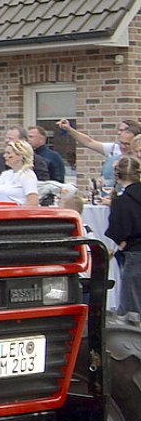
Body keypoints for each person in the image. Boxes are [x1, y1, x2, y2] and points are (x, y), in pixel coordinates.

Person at [106, 157, 141, 315]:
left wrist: (121, 242)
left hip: (135, 255)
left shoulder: (121, 202)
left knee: (132, 311)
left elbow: (117, 231)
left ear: (118, 177)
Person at [59, 118, 140, 185]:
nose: (123, 147)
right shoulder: (113, 149)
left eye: (127, 144)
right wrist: (69, 129)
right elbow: (89, 142)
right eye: (121, 143)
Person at [0, 139, 40, 206]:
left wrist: (17, 212)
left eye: (8, 153)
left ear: (20, 155)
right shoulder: (6, 174)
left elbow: (33, 202)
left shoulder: (27, 175)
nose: (4, 156)